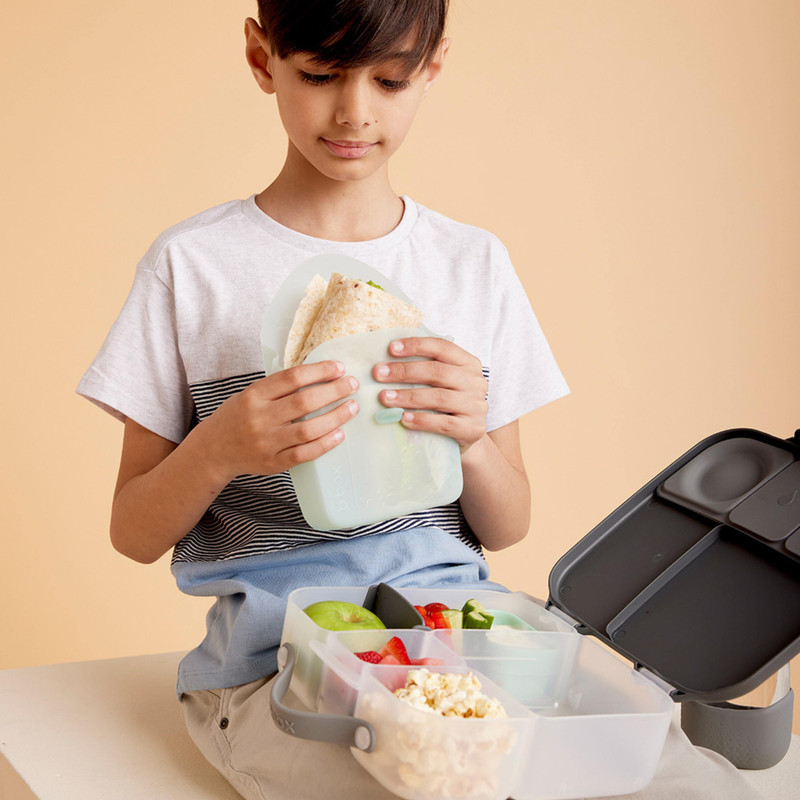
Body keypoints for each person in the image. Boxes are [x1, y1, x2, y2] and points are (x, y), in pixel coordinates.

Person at [77, 0, 571, 796]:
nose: (354, 111)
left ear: (433, 66)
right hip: (274, 669)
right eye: (319, 74)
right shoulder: (192, 265)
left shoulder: (472, 264)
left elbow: (507, 525)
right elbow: (132, 531)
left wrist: (472, 441)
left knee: (635, 768)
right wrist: (218, 449)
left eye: (390, 80)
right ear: (261, 56)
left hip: (457, 650)